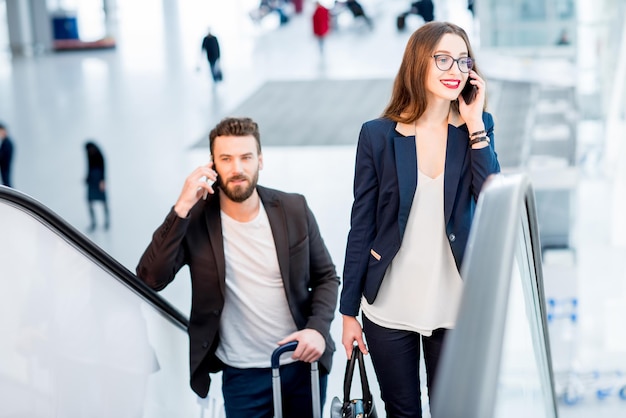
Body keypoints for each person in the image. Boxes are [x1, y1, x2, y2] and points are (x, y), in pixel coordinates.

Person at [340, 22, 501, 418]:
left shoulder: (477, 130)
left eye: (463, 61)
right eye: (442, 58)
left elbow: (491, 196)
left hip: (453, 303)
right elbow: (361, 225)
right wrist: (347, 313)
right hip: (389, 306)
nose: (455, 69)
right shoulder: (378, 135)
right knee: (402, 411)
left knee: (452, 410)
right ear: (418, 62)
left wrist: (476, 122)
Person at [136, 117, 339, 418]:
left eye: (246, 157)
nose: (237, 169)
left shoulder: (294, 209)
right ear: (212, 165)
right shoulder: (195, 221)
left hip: (302, 363)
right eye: (226, 159)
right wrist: (181, 208)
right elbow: (150, 278)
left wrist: (317, 330)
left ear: (260, 160)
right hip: (242, 375)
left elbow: (326, 277)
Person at [84, 141, 109, 231]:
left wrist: (102, 180)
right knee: (89, 202)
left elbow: (103, 167)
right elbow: (89, 166)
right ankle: (93, 223)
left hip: (99, 179)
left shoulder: (99, 155)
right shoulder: (88, 154)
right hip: (92, 179)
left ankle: (107, 222)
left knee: (104, 202)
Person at [0, 122, 15, 187]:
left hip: (5, 165)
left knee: (6, 181)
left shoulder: (7, 143)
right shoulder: (5, 142)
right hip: (4, 166)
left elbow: (3, 155)